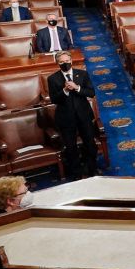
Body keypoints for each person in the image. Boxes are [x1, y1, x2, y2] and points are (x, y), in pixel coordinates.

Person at [47, 51, 99, 179]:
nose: (65, 64)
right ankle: (77, 173)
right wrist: (64, 90)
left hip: (84, 115)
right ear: (57, 63)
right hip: (66, 118)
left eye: (67, 61)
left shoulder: (82, 74)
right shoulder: (52, 78)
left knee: (90, 144)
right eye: (61, 62)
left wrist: (77, 88)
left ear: (71, 61)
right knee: (70, 148)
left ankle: (91, 169)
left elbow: (91, 92)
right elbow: (54, 99)